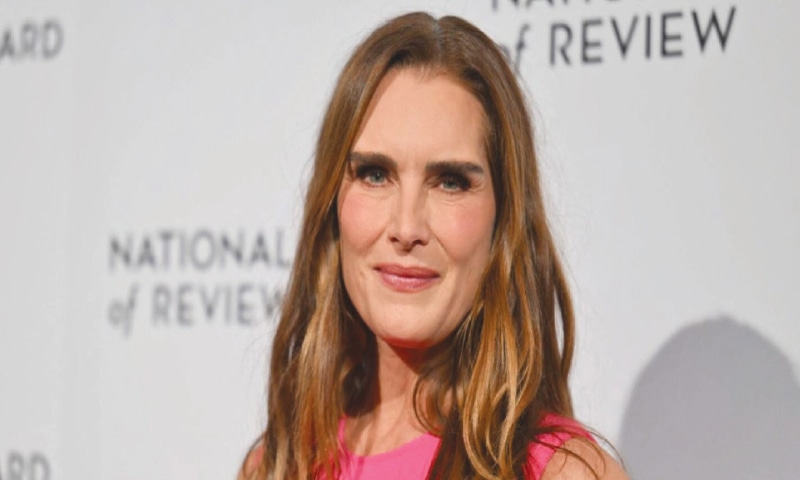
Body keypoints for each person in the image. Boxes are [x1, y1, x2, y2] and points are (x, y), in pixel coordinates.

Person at [240, 12, 628, 480]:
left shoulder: (561, 473)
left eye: (449, 181)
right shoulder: (278, 465)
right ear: (333, 204)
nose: (406, 227)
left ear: (503, 220)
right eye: (375, 174)